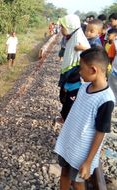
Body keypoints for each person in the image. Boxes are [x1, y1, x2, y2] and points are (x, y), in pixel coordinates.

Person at [54, 47, 115, 190]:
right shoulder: (84, 87)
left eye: (81, 69)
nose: (79, 73)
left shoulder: (106, 100)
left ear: (93, 70)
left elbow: (101, 132)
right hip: (70, 143)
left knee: (78, 182)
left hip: (82, 151)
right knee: (64, 173)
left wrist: (88, 162)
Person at [57, 14, 90, 123]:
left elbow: (91, 52)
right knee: (63, 97)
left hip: (75, 77)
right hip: (69, 76)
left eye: (63, 27)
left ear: (70, 27)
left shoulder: (79, 38)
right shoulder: (72, 36)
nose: (61, 29)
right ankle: (63, 117)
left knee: (69, 102)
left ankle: (67, 122)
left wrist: (83, 48)